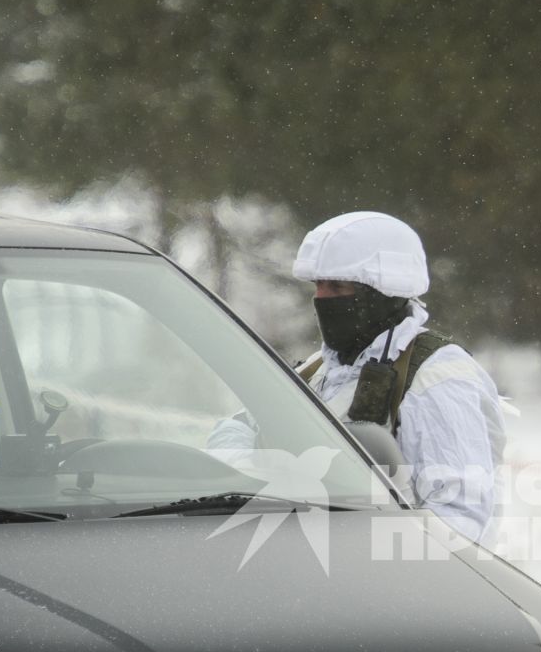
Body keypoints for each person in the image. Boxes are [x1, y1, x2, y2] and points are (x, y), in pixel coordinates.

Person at [207, 211, 505, 542]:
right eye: (318, 286)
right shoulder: (319, 367)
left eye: (337, 287)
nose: (322, 300)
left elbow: (460, 518)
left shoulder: (436, 374)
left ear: (383, 293)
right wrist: (251, 472)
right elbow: (239, 428)